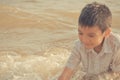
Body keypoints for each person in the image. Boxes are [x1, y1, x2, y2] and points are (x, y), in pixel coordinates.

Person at [58, 2, 120, 80]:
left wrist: (98, 78)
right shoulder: (79, 45)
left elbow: (117, 73)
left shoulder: (116, 45)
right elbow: (65, 75)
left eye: (91, 35)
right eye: (80, 33)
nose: (84, 40)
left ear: (106, 33)